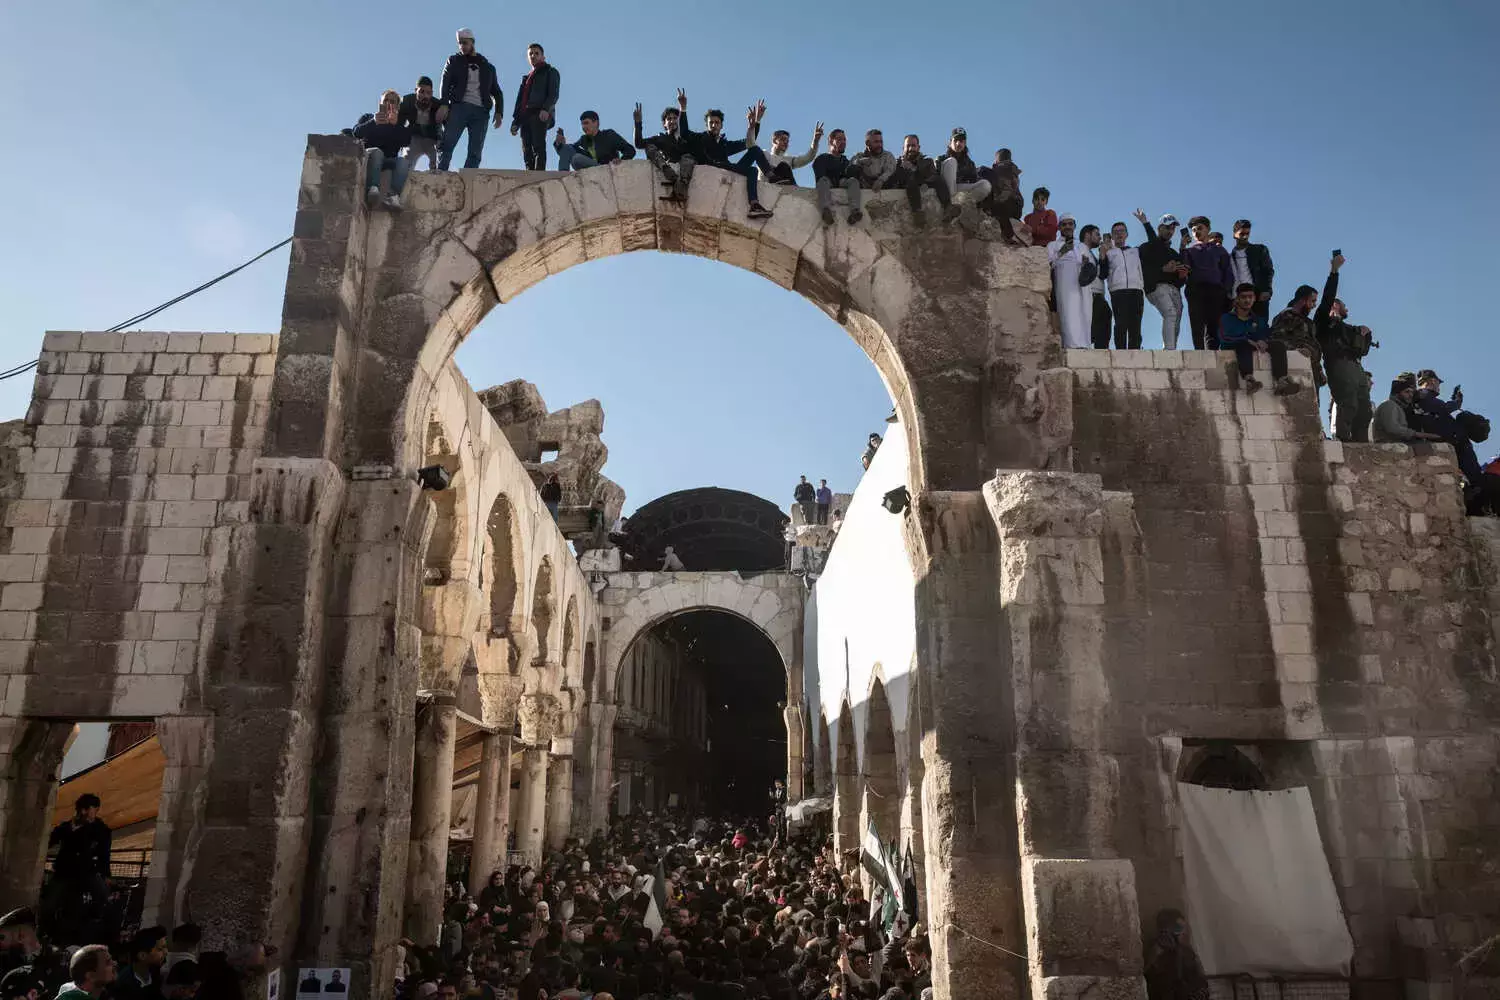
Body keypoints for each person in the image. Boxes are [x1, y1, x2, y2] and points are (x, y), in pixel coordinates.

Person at [677, 95, 775, 218]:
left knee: (755, 150)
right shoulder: (700, 138)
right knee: (752, 170)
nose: (714, 125)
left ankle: (771, 178)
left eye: (717, 122)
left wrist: (755, 123)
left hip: (729, 168)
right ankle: (755, 205)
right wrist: (683, 108)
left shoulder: (724, 144)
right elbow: (684, 133)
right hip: (713, 168)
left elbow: (749, 142)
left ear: (721, 125)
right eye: (711, 123)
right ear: (707, 125)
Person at [1316, 253, 1374, 442]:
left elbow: (1361, 350)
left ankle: (1361, 444)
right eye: (1343, 305)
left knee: (1364, 409)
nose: (1347, 308)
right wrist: (1334, 271)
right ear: (1335, 305)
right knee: (1348, 403)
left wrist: (1364, 334)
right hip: (1338, 364)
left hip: (1355, 366)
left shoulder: (1349, 328)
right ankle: (1343, 441)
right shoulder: (1324, 322)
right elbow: (1327, 297)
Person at [438, 28, 504, 171]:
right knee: (447, 143)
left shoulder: (488, 67)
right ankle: (441, 172)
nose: (462, 46)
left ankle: (468, 176)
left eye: (465, 42)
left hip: (481, 112)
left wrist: (499, 112)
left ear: (472, 42)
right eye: (460, 43)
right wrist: (444, 104)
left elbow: (497, 92)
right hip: (459, 107)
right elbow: (445, 83)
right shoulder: (454, 61)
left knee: (475, 151)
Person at [45, 794, 111, 936]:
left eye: (94, 811)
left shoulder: (100, 829)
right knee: (50, 903)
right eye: (89, 811)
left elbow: (104, 853)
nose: (91, 815)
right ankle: (47, 931)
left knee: (102, 896)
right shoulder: (65, 827)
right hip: (64, 872)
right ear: (81, 810)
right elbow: (48, 842)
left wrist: (105, 874)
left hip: (86, 872)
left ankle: (93, 923)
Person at [1220, 284, 1302, 396]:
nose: (1247, 300)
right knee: (1243, 343)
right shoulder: (1226, 318)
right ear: (1237, 299)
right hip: (1235, 346)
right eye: (1243, 297)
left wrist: (1262, 340)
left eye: (1250, 297)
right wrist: (1246, 339)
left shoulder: (1258, 320)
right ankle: (1249, 381)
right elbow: (1224, 337)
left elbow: (1266, 333)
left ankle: (1282, 381)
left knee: (1278, 345)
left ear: (1254, 299)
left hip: (1253, 346)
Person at [1413, 370, 1482, 485]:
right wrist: (1457, 402)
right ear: (1433, 381)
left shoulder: (1417, 398)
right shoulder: (1425, 395)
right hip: (1451, 441)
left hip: (1436, 439)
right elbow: (1443, 409)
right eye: (1438, 383)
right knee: (1474, 474)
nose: (1439, 387)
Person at [1132, 210, 1186, 350]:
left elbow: (1180, 280)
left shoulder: (1173, 253)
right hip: (1157, 287)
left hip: (1174, 290)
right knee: (1170, 313)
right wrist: (1145, 223)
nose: (1170, 231)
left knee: (1176, 318)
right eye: (1167, 227)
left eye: (1173, 228)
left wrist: (1181, 275)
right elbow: (1143, 270)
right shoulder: (1146, 248)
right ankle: (1169, 350)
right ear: (1159, 228)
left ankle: (1170, 349)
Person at [353, 91, 413, 210]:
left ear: (397, 107)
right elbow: (356, 132)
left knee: (404, 162)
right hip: (371, 156)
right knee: (377, 152)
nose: (388, 103)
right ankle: (373, 189)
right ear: (380, 103)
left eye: (392, 101)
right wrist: (373, 122)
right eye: (385, 100)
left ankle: (393, 196)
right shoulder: (368, 118)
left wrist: (396, 125)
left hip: (389, 160)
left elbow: (407, 141)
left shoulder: (399, 124)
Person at [1181, 216, 1234, 350]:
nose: (1196, 232)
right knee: (1197, 324)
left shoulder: (1219, 250)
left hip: (1216, 291)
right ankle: (1199, 352)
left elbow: (1227, 271)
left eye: (1200, 228)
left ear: (1208, 229)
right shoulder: (1189, 251)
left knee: (1213, 325)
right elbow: (1184, 269)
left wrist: (1226, 291)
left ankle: (1212, 352)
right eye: (1194, 230)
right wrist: (1182, 247)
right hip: (1195, 290)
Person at [510, 44, 561, 171]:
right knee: (526, 147)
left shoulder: (550, 71)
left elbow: (553, 94)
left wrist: (546, 109)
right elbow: (520, 101)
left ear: (543, 57)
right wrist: (516, 121)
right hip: (525, 115)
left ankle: (539, 172)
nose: (533, 56)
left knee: (538, 145)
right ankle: (529, 173)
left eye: (536, 53)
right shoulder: (526, 78)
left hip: (540, 112)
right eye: (530, 54)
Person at [888, 135, 958, 225]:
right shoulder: (897, 163)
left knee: (938, 179)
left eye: (913, 145)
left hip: (924, 184)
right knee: (910, 180)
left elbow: (932, 175)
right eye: (908, 146)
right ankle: (917, 213)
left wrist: (914, 169)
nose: (910, 148)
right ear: (903, 148)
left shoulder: (927, 161)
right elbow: (895, 179)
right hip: (909, 188)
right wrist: (904, 168)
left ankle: (948, 207)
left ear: (918, 147)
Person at [1270, 281, 1327, 388]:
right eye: (1312, 301)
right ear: (1302, 300)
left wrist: (1319, 370)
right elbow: (1277, 339)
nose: (1314, 305)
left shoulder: (1308, 323)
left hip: (1311, 371)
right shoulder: (1287, 316)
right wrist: (1296, 350)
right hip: (1294, 368)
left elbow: (1311, 345)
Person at [1047, 215, 1092, 349]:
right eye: (1064, 224)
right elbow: (1048, 264)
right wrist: (1061, 252)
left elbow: (1091, 265)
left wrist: (1085, 263)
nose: (1067, 227)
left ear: (1074, 226)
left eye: (1070, 224)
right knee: (1068, 312)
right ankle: (1071, 345)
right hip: (1064, 281)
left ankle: (1085, 344)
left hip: (1082, 283)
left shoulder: (1082, 246)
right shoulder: (1053, 245)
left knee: (1085, 312)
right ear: (1059, 227)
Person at [1144, 910, 1209, 1000]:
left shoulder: (1187, 953)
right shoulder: (1154, 951)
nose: (1184, 932)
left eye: (1184, 928)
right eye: (1178, 929)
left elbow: (1201, 982)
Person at [1102, 221, 1146, 349]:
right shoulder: (1109, 253)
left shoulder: (1136, 251)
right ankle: (1120, 352)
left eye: (1122, 231)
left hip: (1136, 290)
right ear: (1112, 236)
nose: (1119, 234)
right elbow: (1103, 273)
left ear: (1126, 234)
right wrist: (1103, 255)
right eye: (1116, 232)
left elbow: (1153, 243)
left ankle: (1135, 352)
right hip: (1118, 291)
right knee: (1121, 324)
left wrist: (1146, 223)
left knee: (1136, 325)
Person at [634, 98, 691, 196]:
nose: (672, 121)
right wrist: (638, 123)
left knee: (688, 157)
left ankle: (681, 184)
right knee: (649, 147)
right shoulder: (660, 138)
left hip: (683, 167)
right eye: (669, 119)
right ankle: (666, 170)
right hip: (666, 166)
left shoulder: (686, 139)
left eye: (675, 118)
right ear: (664, 124)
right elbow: (639, 143)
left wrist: (683, 108)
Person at [554, 111, 636, 171]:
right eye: (582, 124)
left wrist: (621, 160)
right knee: (567, 148)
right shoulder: (584, 139)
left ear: (596, 123)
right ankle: (563, 174)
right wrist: (559, 144)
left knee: (577, 158)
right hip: (590, 167)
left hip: (605, 169)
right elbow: (568, 151)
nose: (584, 127)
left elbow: (630, 150)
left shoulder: (608, 135)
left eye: (586, 123)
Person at [1228, 220, 1274, 323]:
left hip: (1257, 296)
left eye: (1247, 234)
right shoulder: (1229, 257)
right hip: (1238, 299)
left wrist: (1267, 290)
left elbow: (1268, 271)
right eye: (1242, 234)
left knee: (1260, 326)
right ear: (1234, 234)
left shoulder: (1259, 250)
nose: (1245, 237)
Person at [812, 129, 861, 226]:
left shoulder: (846, 162)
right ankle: (826, 211)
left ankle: (855, 211)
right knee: (823, 180)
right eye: (839, 139)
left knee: (853, 181)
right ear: (831, 141)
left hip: (842, 183)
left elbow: (849, 176)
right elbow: (820, 177)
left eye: (844, 140)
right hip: (828, 183)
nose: (843, 142)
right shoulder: (822, 158)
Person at [399, 77, 448, 171]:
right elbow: (399, 125)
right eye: (421, 92)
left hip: (432, 139)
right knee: (405, 165)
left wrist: (440, 140)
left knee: (437, 165)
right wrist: (402, 141)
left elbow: (448, 127)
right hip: (414, 138)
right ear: (416, 91)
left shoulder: (437, 105)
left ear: (432, 93)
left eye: (428, 93)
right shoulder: (406, 101)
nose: (425, 96)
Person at [1373, 380, 1443, 444]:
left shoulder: (1398, 407)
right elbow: (1392, 428)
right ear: (1396, 394)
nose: (1410, 395)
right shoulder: (1389, 405)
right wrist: (1418, 434)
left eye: (1412, 392)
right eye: (1407, 392)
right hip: (1387, 447)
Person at [935, 128, 991, 208]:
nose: (958, 143)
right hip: (944, 189)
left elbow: (973, 180)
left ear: (965, 143)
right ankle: (949, 204)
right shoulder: (941, 159)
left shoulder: (969, 164)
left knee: (985, 184)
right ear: (950, 142)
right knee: (952, 161)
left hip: (959, 190)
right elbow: (935, 177)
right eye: (955, 140)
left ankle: (963, 204)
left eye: (961, 141)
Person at [980, 149, 1024, 244]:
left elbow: (1006, 192)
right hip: (1017, 207)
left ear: (996, 160)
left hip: (1006, 205)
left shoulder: (998, 170)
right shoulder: (1012, 170)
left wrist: (993, 204)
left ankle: (1009, 236)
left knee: (997, 210)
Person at [114, 926, 167, 1000]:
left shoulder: (154, 972)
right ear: (142, 956)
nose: (166, 952)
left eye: (165, 947)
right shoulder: (125, 983)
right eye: (160, 949)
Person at [1080, 225, 1111, 349]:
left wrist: (1103, 255)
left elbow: (1102, 275)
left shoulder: (1091, 254)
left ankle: (1101, 354)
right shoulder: (1079, 249)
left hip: (1098, 296)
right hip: (1089, 295)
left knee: (1103, 325)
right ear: (1087, 235)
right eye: (1097, 234)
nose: (1100, 238)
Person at [848, 130, 897, 196]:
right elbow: (849, 171)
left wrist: (880, 180)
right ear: (867, 143)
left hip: (885, 190)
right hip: (863, 191)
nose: (879, 145)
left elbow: (890, 171)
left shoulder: (888, 156)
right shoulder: (859, 156)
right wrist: (859, 162)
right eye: (876, 142)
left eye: (881, 142)